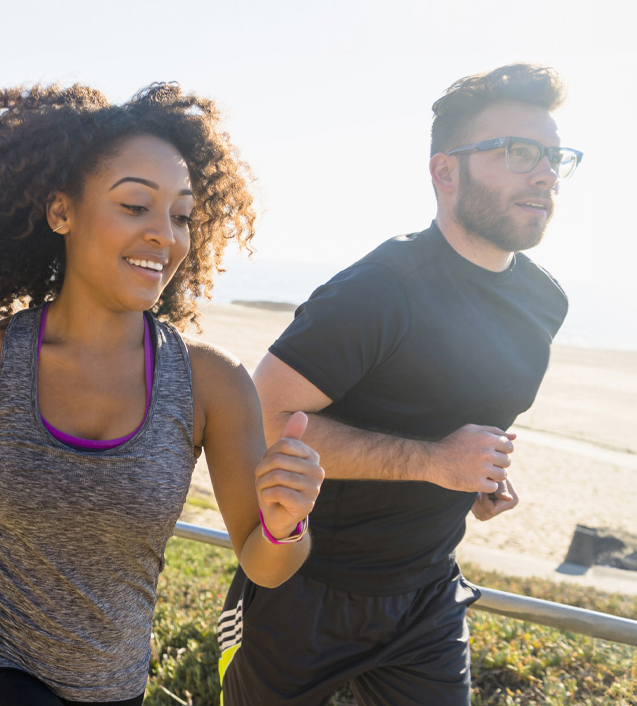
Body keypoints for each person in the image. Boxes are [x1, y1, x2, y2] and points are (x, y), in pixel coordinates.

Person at [0, 82, 324, 706]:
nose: (165, 236)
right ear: (61, 212)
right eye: (135, 206)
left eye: (180, 215)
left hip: (112, 684)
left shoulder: (212, 383)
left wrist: (287, 523)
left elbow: (263, 563)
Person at [218, 63, 582, 705]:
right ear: (446, 172)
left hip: (427, 596)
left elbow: (468, 410)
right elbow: (265, 417)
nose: (545, 172)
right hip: (303, 585)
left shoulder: (544, 302)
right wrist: (435, 463)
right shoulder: (380, 288)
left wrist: (478, 476)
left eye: (554, 156)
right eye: (518, 151)